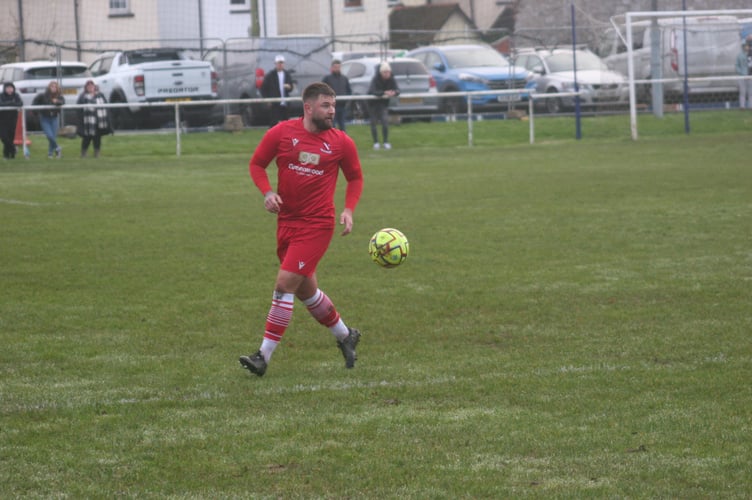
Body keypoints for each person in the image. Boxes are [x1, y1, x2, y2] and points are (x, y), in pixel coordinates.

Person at [239, 82, 364, 377]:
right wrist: (268, 193)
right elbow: (257, 164)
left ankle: (263, 357)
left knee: (284, 285)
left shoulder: (341, 142)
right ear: (308, 107)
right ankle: (346, 335)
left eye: (333, 105)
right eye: (325, 105)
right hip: (287, 223)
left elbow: (355, 178)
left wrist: (348, 210)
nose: (332, 111)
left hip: (317, 225)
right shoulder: (282, 133)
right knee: (307, 292)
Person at [367, 61, 399, 150]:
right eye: (385, 72)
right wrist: (384, 93)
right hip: (372, 104)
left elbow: (398, 90)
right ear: (381, 73)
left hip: (383, 104)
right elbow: (372, 91)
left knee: (385, 123)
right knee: (373, 123)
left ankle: (385, 142)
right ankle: (376, 142)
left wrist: (394, 92)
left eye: (388, 72)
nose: (387, 74)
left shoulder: (392, 79)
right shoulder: (375, 79)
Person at [76, 80, 113, 158]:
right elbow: (79, 110)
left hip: (99, 121)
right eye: (88, 86)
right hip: (87, 122)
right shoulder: (83, 96)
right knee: (87, 138)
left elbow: (106, 107)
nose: (90, 87)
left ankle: (97, 153)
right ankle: (84, 153)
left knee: (97, 138)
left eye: (92, 86)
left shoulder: (100, 95)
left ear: (95, 87)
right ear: (86, 87)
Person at [32, 81, 65, 158]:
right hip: (45, 118)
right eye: (52, 86)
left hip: (54, 118)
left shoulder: (59, 96)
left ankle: (50, 153)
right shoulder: (42, 95)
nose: (53, 88)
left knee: (53, 136)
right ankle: (57, 148)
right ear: (49, 87)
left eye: (55, 87)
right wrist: (36, 112)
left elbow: (62, 102)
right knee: (49, 136)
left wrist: (57, 101)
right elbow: (34, 103)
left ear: (57, 88)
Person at [260, 54, 294, 127]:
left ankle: (285, 137)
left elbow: (291, 87)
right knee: (274, 123)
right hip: (275, 103)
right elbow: (263, 89)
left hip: (285, 103)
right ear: (275, 64)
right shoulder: (270, 75)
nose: (280, 64)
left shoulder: (287, 74)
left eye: (282, 63)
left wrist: (289, 87)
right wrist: (267, 100)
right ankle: (272, 137)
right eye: (279, 63)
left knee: (286, 123)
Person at [322, 58, 352, 132]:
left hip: (342, 106)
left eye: (338, 67)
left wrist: (346, 101)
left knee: (342, 126)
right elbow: (322, 90)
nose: (337, 69)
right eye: (335, 67)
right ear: (332, 68)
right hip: (331, 107)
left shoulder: (344, 78)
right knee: (332, 126)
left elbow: (349, 91)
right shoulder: (327, 78)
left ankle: (343, 142)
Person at [0, 82, 23, 159]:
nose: (9, 90)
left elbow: (20, 103)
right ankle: (13, 148)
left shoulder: (16, 95)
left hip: (13, 119)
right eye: (8, 88)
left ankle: (8, 155)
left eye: (11, 88)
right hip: (2, 120)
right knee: (4, 137)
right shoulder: (1, 96)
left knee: (10, 137)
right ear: (4, 89)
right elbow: (1, 104)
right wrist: (11, 103)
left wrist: (10, 103)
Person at [735, 37, 752, 109]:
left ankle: (750, 106)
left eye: (748, 45)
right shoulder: (739, 55)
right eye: (745, 46)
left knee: (750, 92)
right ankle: (742, 106)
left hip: (750, 75)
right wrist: (741, 73)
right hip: (742, 76)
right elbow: (737, 65)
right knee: (742, 92)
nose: (747, 47)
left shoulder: (750, 54)